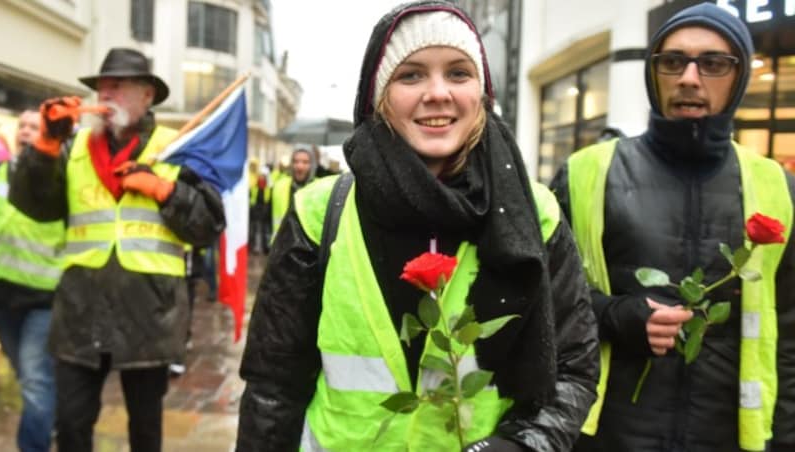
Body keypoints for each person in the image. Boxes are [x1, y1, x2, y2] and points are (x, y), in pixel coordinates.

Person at [236, 1, 599, 450]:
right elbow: (273, 385)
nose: (438, 92)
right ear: (379, 96)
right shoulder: (317, 212)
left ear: (482, 94)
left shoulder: (537, 215)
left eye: (459, 73)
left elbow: (574, 369)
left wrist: (521, 446)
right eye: (410, 75)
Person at [550, 4, 795, 451]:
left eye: (713, 63)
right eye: (673, 61)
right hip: (607, 435)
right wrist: (617, 315)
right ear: (654, 73)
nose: (689, 78)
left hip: (730, 438)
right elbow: (542, 297)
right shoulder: (588, 173)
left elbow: (790, 333)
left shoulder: (776, 186)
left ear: (738, 79)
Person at [9, 47, 226, 452]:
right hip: (80, 312)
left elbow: (208, 225)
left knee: (145, 429)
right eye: (102, 87)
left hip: (150, 315)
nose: (106, 95)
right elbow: (35, 206)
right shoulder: (73, 147)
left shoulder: (175, 147)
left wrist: (164, 191)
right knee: (72, 425)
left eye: (118, 87)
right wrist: (45, 145)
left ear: (146, 95)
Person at [0, 108, 63, 452]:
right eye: (21, 125)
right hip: (2, 295)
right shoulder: (0, 172)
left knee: (35, 380)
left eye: (34, 126)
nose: (25, 131)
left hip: (43, 297)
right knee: (28, 377)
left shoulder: (58, 179)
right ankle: (52, 418)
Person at [267, 146, 316, 240]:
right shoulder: (279, 186)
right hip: (281, 244)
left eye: (305, 162)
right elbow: (268, 217)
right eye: (296, 161)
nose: (300, 166)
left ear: (312, 165)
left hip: (310, 248)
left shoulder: (319, 188)